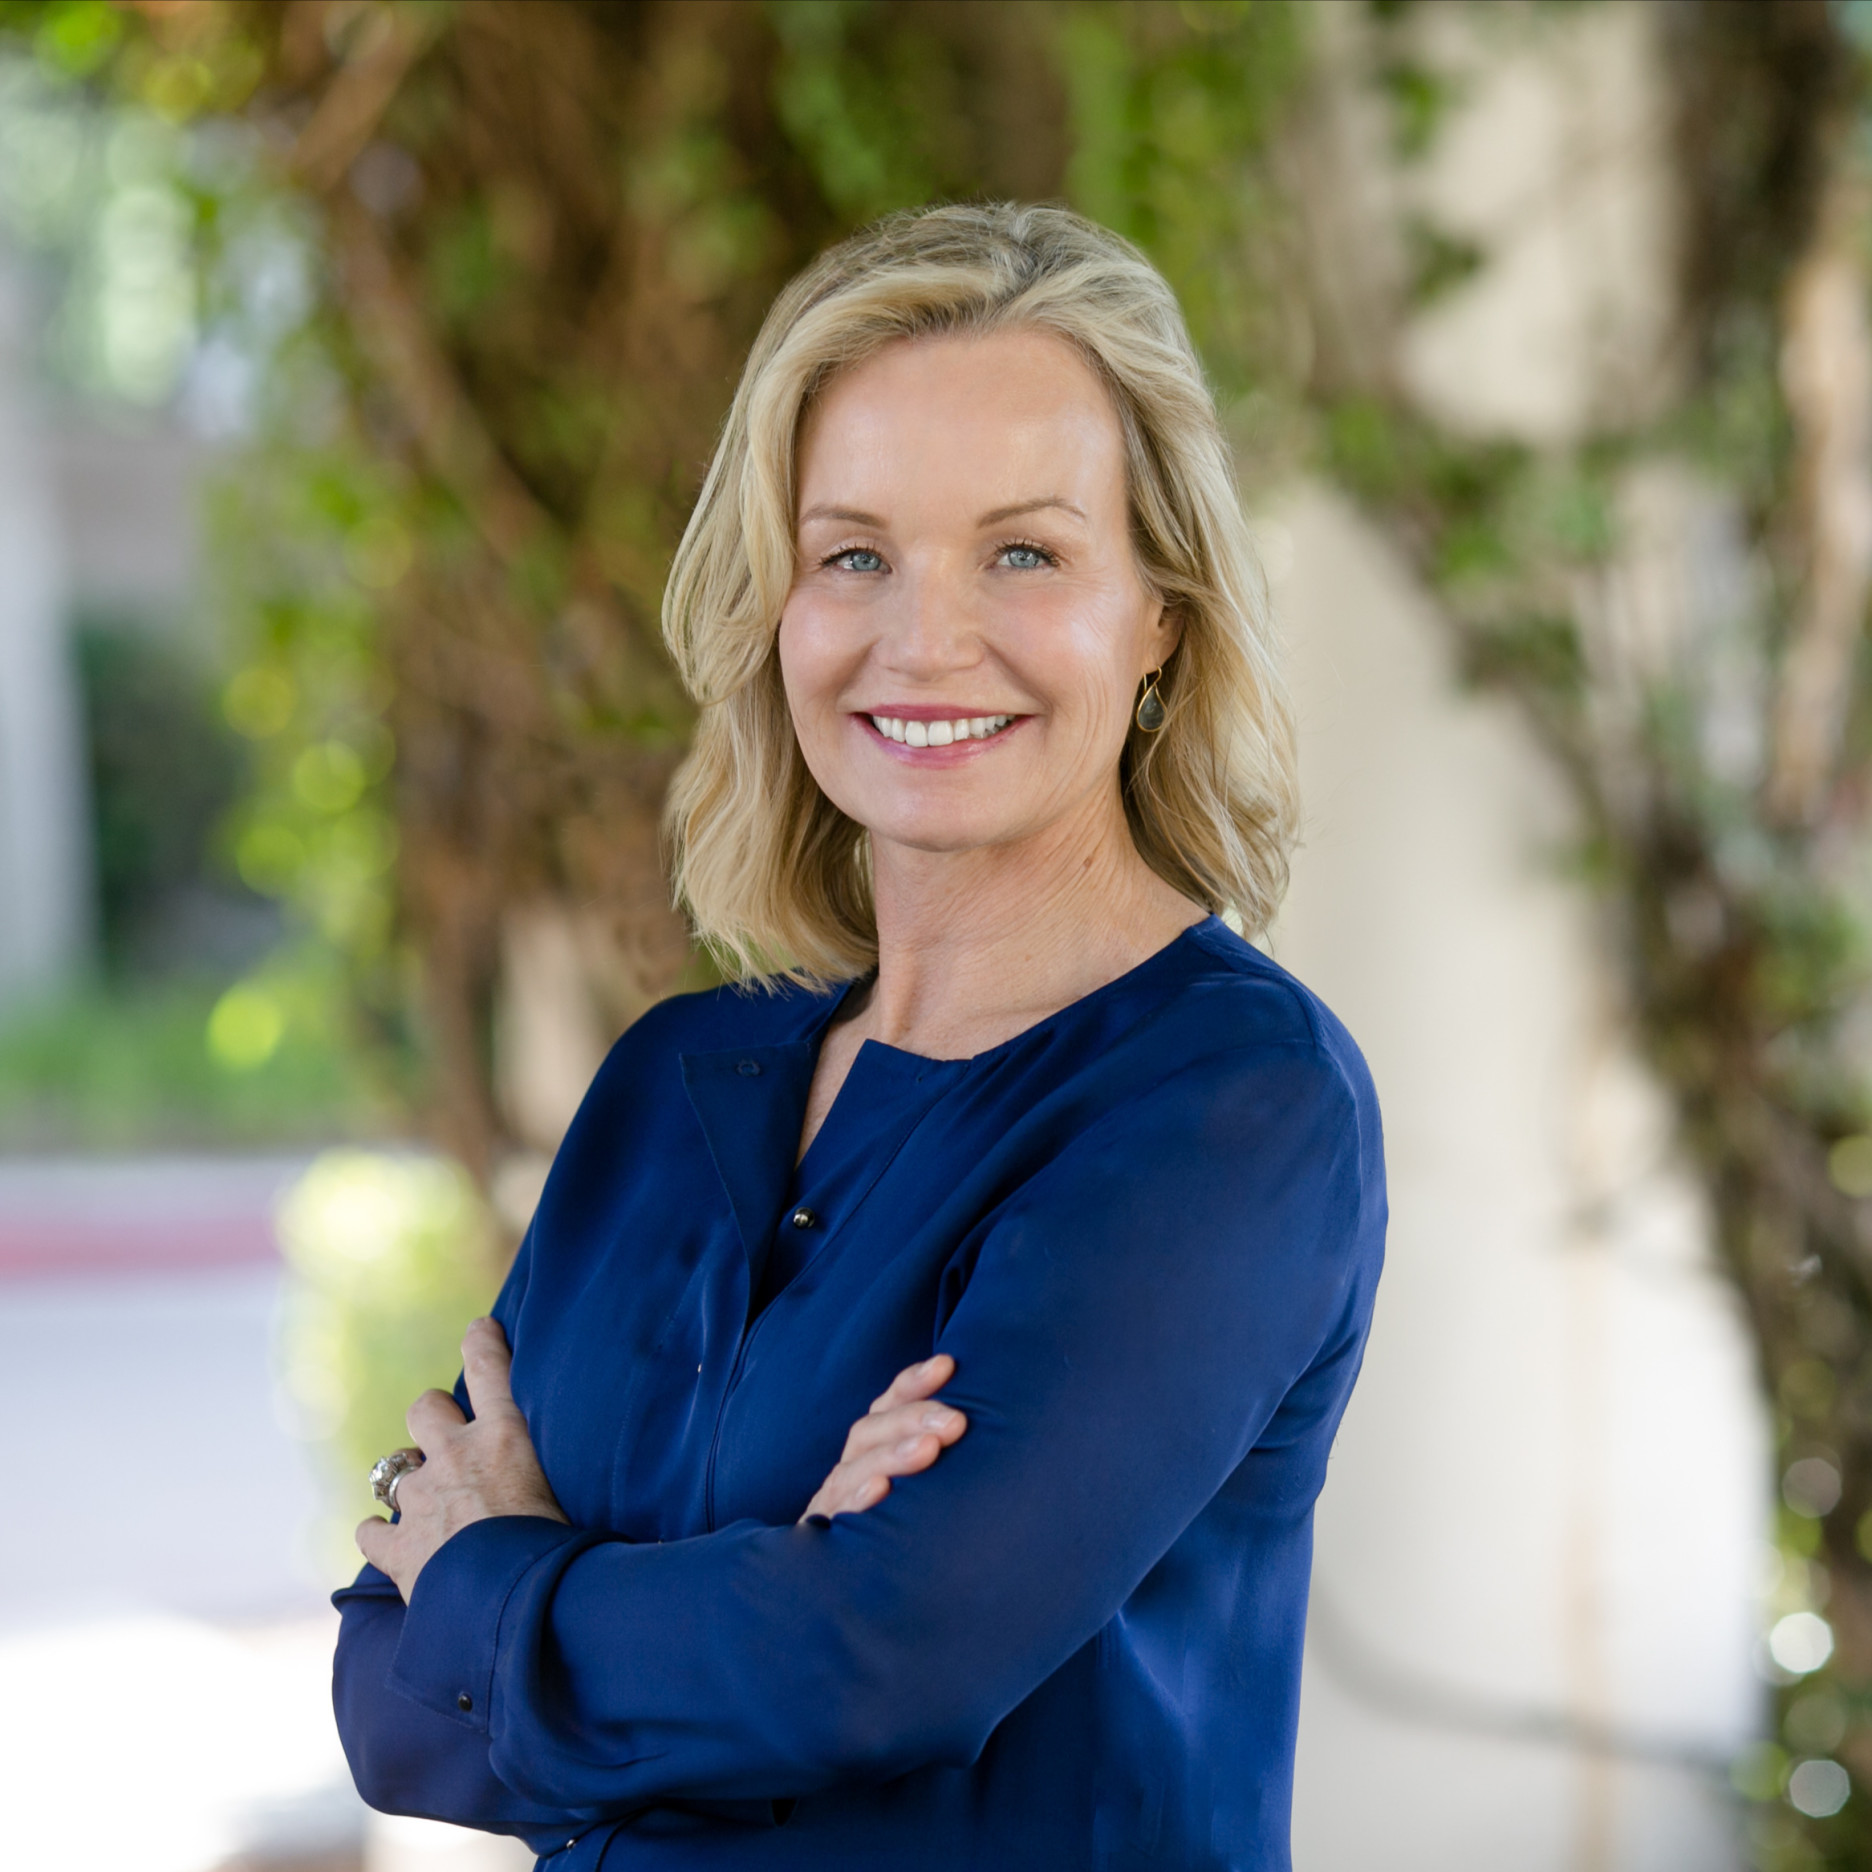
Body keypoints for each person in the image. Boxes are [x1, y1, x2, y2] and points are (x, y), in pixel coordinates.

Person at [333, 201, 1385, 1870]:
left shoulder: (1229, 1107)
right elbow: (385, 1698)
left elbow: (873, 1664)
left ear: (1160, 615)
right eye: (855, 554)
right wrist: (765, 1594)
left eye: (1025, 552)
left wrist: (506, 1584)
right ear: (781, 605)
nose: (926, 638)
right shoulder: (672, 1085)